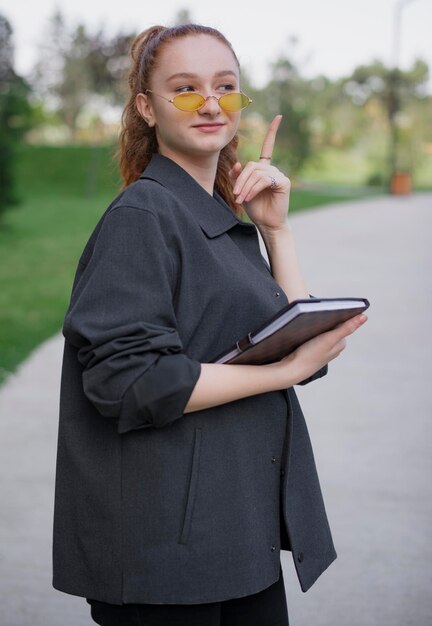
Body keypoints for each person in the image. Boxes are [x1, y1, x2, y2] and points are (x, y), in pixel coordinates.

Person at [52, 23, 368, 626]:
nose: (212, 103)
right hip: (166, 554)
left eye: (226, 87)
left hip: (232, 532)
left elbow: (301, 344)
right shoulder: (143, 217)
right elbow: (131, 382)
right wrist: (284, 372)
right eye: (187, 89)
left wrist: (276, 229)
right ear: (146, 107)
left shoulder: (218, 218)